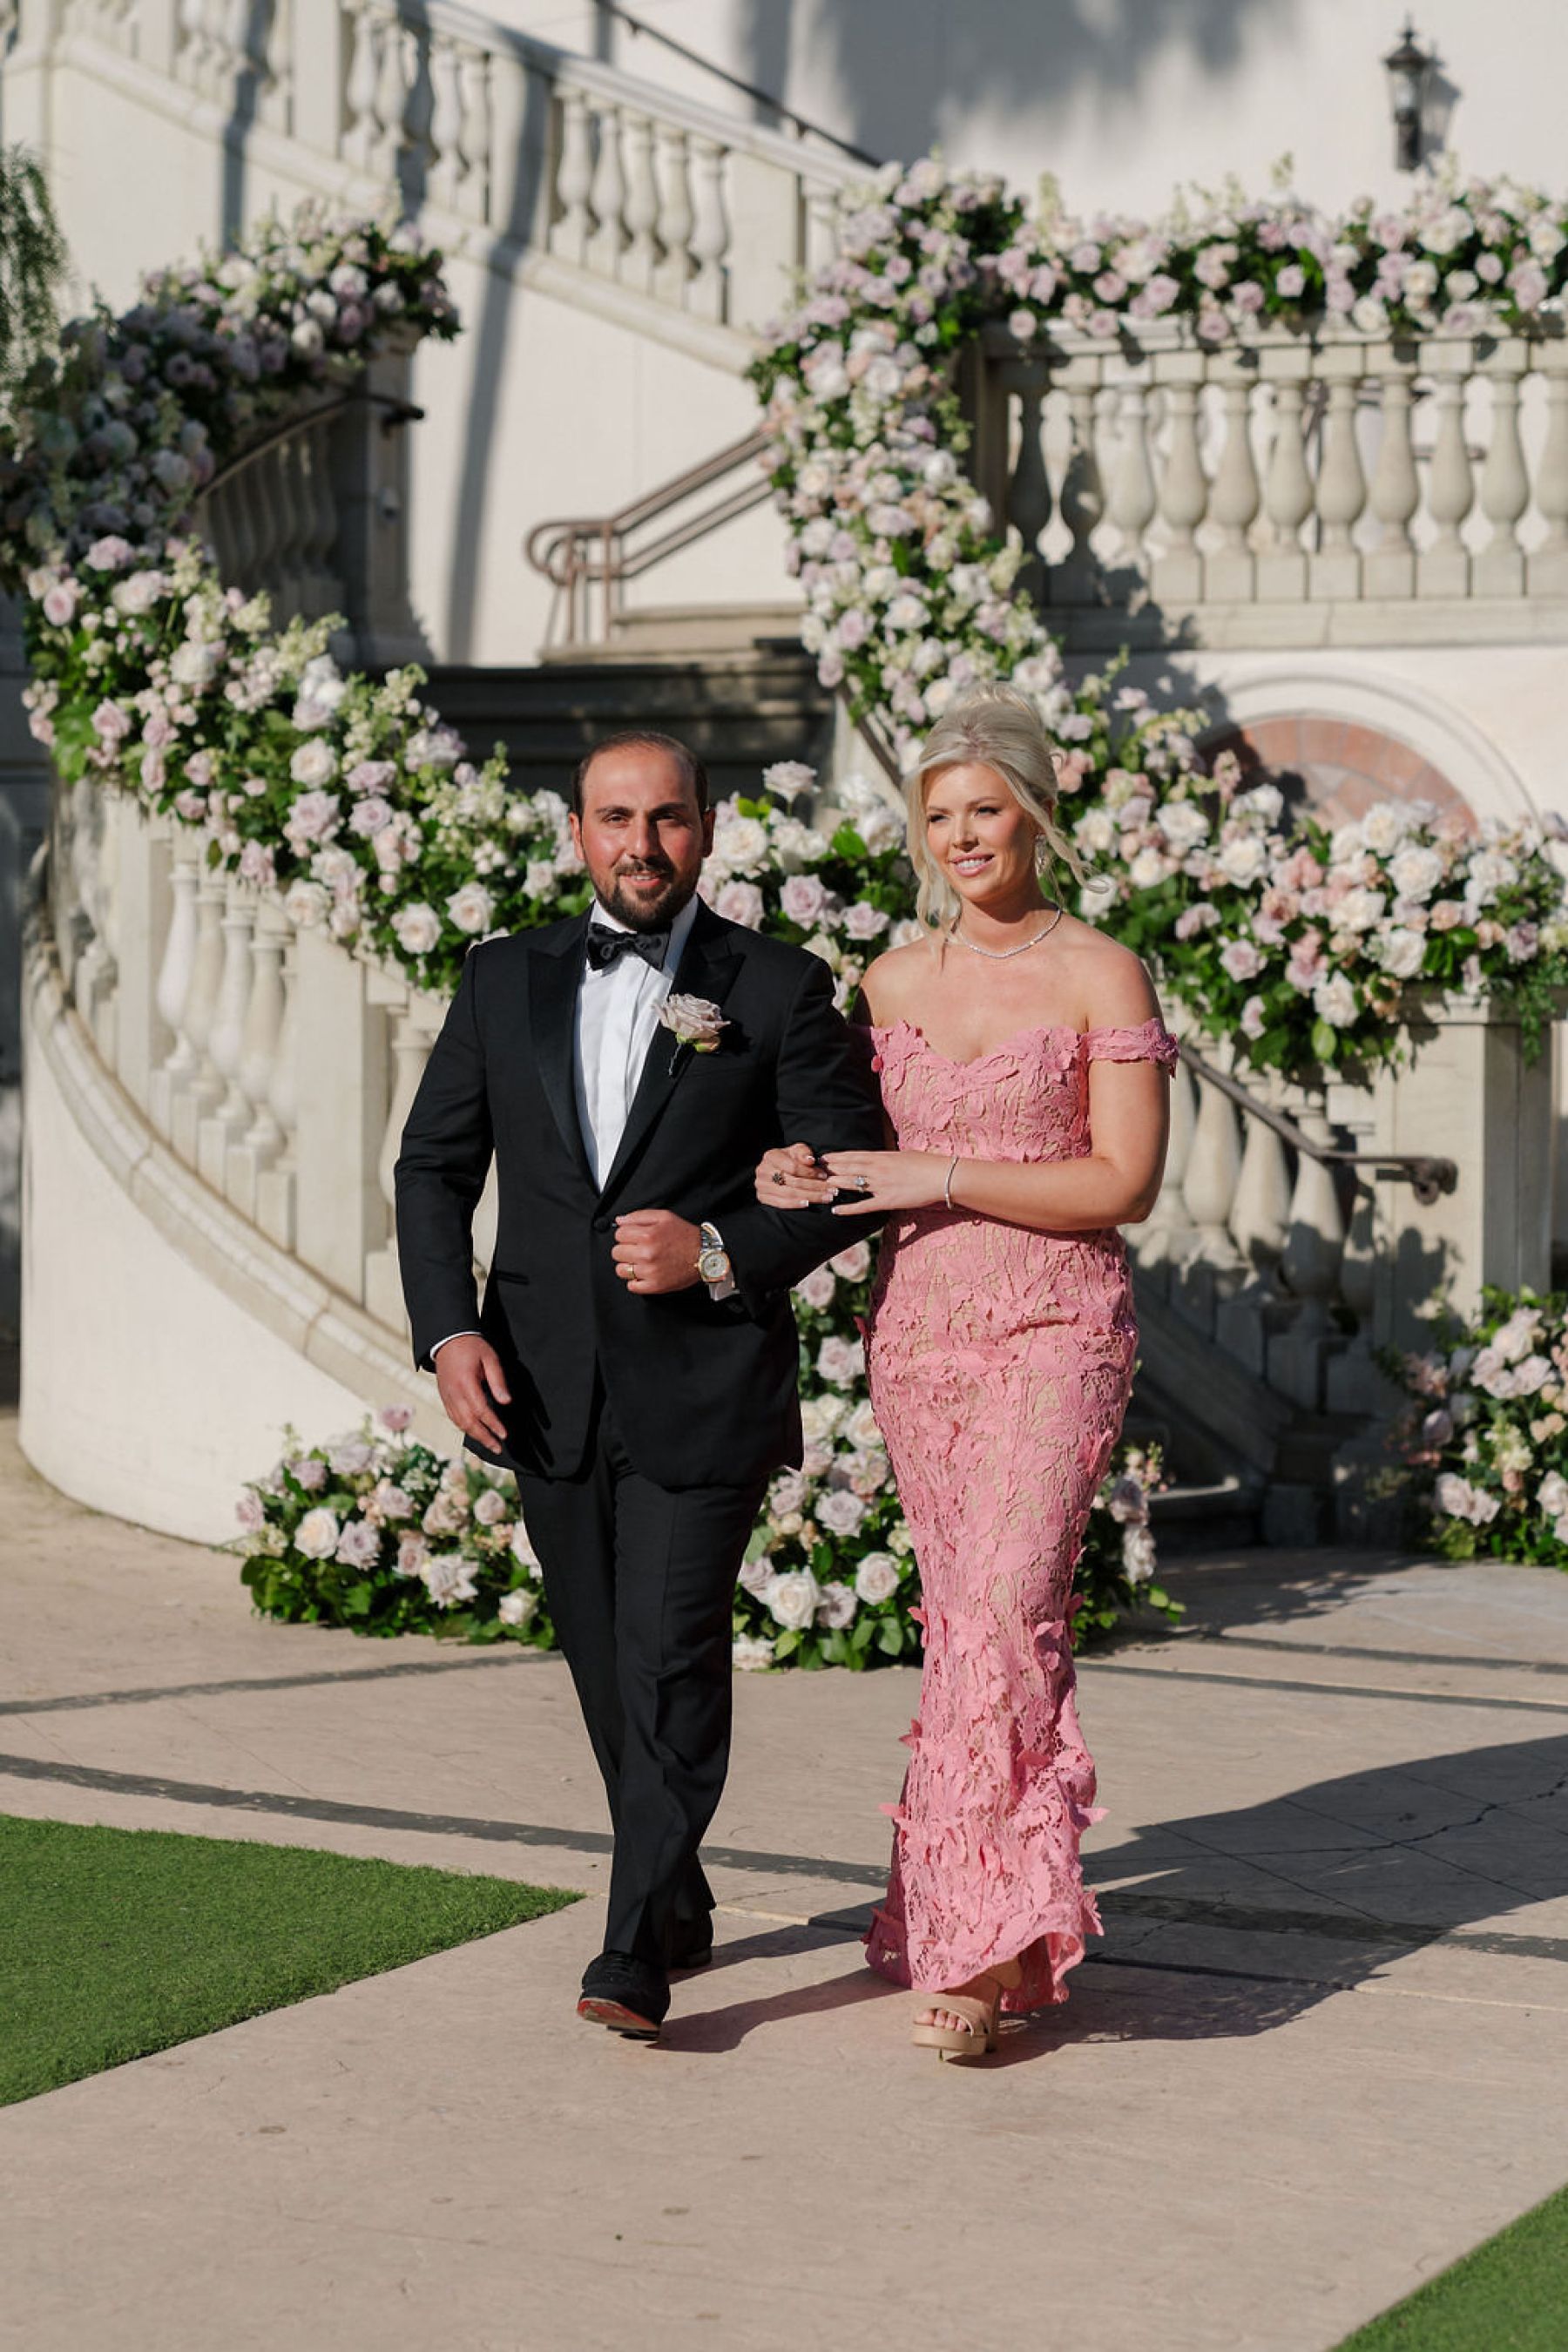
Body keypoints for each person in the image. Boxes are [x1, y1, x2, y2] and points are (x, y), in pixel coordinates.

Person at [395, 730, 884, 2042]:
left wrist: (719, 1247)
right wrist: (448, 1335)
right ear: (576, 833)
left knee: (669, 1655)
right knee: (607, 1669)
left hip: (703, 1383)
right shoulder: (502, 980)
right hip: (541, 1389)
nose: (641, 844)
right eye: (616, 818)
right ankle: (675, 1891)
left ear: (708, 831)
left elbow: (852, 1174)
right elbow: (433, 1169)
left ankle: (629, 1953)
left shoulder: (777, 987)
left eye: (667, 819)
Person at [756, 684, 1176, 2061]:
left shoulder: (1101, 971)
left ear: (1034, 813)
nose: (960, 837)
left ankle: (990, 1952)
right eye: (938, 817)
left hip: (1059, 1332)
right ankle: (957, 1912)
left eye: (982, 809)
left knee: (1007, 1606)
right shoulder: (889, 980)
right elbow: (845, 1158)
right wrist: (788, 1177)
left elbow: (1123, 1182)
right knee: (964, 1623)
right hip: (922, 1336)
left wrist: (940, 1170)